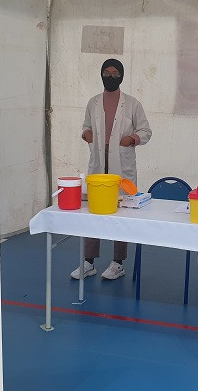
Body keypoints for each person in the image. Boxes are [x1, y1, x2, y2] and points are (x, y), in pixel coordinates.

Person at [70, 58, 152, 280]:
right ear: (101, 74)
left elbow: (146, 131)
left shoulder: (132, 104)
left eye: (116, 73)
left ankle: (118, 262)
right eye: (107, 72)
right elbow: (86, 125)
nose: (111, 76)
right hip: (99, 160)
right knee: (94, 211)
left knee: (121, 213)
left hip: (121, 163)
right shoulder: (93, 102)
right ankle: (89, 262)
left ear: (122, 76)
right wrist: (87, 134)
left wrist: (132, 139)